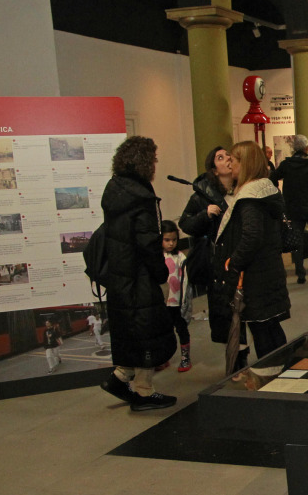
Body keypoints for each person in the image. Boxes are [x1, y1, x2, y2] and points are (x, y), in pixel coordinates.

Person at [98, 136, 178, 412]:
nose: (155, 164)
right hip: (140, 275)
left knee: (132, 329)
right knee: (148, 330)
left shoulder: (115, 189)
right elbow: (147, 242)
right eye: (153, 159)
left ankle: (120, 378)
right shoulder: (141, 196)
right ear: (145, 162)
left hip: (120, 274)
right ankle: (144, 392)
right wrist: (160, 275)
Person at [213, 141, 291, 363]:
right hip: (267, 271)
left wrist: (233, 262)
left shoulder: (250, 198)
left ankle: (275, 380)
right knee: (270, 328)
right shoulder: (265, 190)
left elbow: (251, 237)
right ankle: (282, 375)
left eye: (233, 160)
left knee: (263, 331)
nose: (230, 164)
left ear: (245, 163)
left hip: (255, 276)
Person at [178, 146, 232, 299]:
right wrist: (205, 215)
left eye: (228, 155)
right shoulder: (202, 196)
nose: (228, 158)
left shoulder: (241, 190)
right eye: (220, 157)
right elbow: (185, 224)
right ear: (214, 170)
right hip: (216, 263)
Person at [273, 134, 308, 284]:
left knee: (297, 242)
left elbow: (273, 177)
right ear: (306, 148)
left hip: (294, 209)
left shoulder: (286, 165)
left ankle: (300, 273)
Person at [160, 220, 191, 373]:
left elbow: (185, 281)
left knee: (181, 328)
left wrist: (184, 301)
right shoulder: (156, 257)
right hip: (162, 302)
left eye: (174, 240)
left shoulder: (180, 257)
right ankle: (163, 357)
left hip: (177, 301)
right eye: (167, 240)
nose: (171, 243)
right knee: (163, 330)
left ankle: (185, 358)